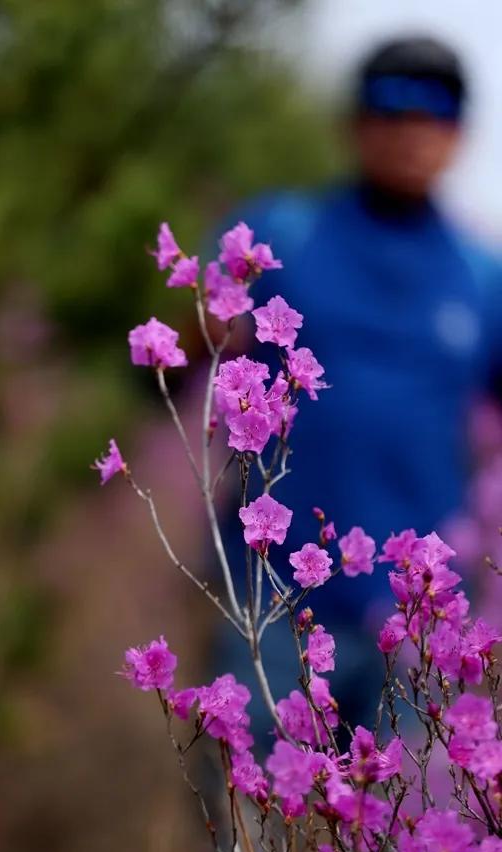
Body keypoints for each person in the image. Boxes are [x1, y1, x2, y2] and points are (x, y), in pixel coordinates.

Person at [213, 34, 502, 744]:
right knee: (254, 844)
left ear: (459, 133)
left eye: (433, 112)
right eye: (389, 108)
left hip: (415, 623)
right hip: (274, 601)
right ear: (354, 123)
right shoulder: (282, 234)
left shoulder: (482, 276)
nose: (410, 130)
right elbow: (194, 352)